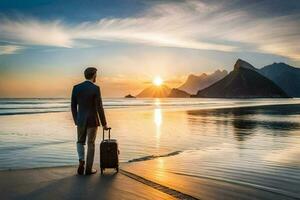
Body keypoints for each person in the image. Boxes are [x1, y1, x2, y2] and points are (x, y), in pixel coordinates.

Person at [71, 67, 109, 175]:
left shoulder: (76, 88)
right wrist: (104, 124)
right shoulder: (95, 88)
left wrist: (76, 120)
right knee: (91, 144)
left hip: (80, 120)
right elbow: (99, 107)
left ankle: (81, 160)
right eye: (96, 75)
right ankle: (88, 169)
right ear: (94, 75)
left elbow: (73, 106)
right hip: (92, 120)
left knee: (80, 141)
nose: (96, 77)